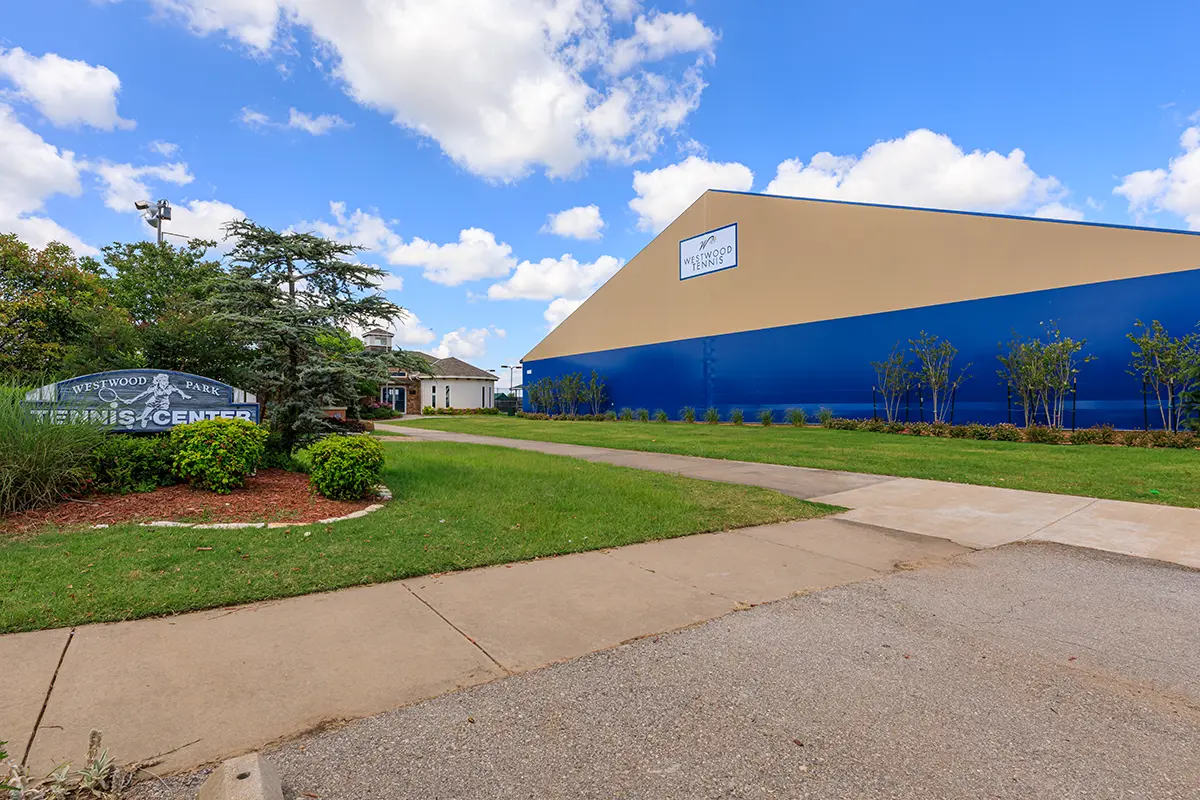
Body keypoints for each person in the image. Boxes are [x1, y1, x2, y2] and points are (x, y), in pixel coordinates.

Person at [127, 373, 192, 428]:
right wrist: (132, 400)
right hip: (153, 402)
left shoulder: (170, 386)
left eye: (167, 380)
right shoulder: (154, 387)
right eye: (164, 380)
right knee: (143, 416)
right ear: (159, 381)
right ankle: (129, 422)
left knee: (156, 416)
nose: (166, 382)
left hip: (164, 404)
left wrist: (184, 395)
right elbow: (144, 394)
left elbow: (178, 390)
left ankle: (146, 419)